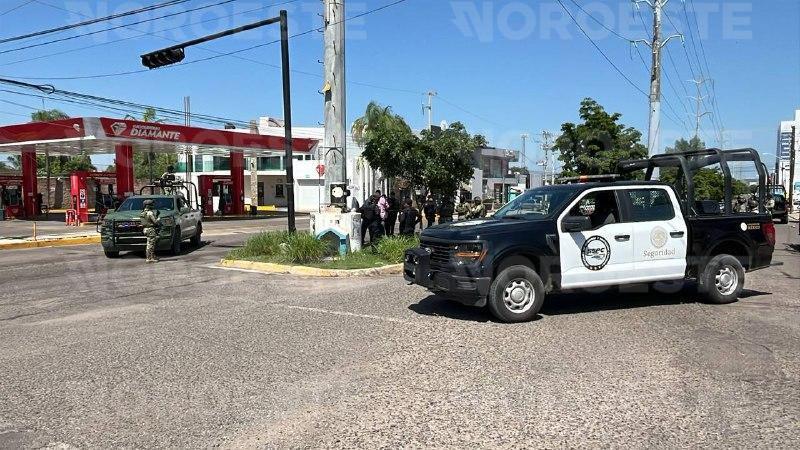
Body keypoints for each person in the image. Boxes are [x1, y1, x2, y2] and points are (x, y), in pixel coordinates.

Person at [140, 199, 162, 263]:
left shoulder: (143, 212)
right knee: (151, 244)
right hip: (151, 229)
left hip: (146, 229)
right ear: (148, 206)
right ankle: (150, 258)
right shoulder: (150, 212)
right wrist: (158, 219)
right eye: (151, 205)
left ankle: (150, 256)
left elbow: (147, 221)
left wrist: (156, 215)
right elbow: (155, 222)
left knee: (148, 244)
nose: (153, 206)